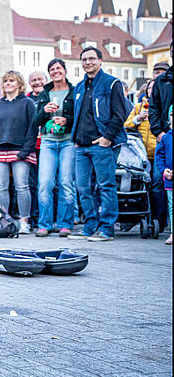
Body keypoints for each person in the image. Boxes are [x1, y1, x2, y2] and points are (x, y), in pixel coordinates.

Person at [69, 46, 127, 242]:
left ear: (101, 60)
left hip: (102, 145)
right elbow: (78, 115)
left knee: (106, 185)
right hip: (81, 146)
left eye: (91, 59)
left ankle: (107, 229)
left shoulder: (112, 84)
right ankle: (90, 226)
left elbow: (120, 114)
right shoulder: (79, 86)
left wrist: (108, 138)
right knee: (83, 188)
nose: (87, 62)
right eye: (84, 59)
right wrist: (75, 138)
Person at [0, 71, 38, 234]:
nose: (7, 83)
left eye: (11, 80)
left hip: (21, 150)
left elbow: (32, 129)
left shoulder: (27, 103)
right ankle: (4, 221)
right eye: (5, 80)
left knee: (22, 186)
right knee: (1, 187)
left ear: (19, 84)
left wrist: (25, 151)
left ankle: (24, 222)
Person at [33, 59, 76, 237]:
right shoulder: (45, 93)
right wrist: (45, 111)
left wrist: (67, 120)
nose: (55, 71)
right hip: (48, 142)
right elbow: (36, 121)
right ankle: (45, 224)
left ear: (65, 71)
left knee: (66, 183)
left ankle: (65, 224)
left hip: (67, 141)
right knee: (44, 183)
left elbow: (79, 117)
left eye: (58, 68)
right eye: (52, 69)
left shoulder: (74, 91)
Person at [125, 79, 168, 231]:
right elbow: (127, 125)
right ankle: (137, 217)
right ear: (147, 91)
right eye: (150, 88)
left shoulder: (165, 105)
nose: (153, 90)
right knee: (140, 185)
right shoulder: (138, 106)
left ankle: (159, 220)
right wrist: (138, 118)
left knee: (157, 184)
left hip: (158, 152)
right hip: (140, 154)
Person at [26, 70, 47, 225]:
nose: (37, 82)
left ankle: (48, 217)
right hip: (31, 146)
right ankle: (34, 216)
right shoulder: (27, 99)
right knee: (32, 183)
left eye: (40, 79)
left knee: (48, 183)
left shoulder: (51, 95)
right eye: (33, 80)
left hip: (48, 144)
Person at [154, 108, 173, 245]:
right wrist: (164, 170)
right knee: (171, 206)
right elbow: (159, 156)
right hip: (170, 178)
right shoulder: (166, 137)